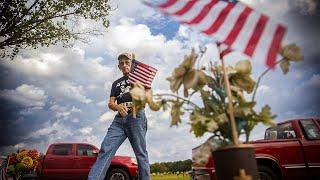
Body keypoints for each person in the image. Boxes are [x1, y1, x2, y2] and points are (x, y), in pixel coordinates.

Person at [88, 53, 150, 180]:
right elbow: (111, 103)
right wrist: (117, 107)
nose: (124, 65)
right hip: (119, 120)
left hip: (136, 115)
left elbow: (148, 97)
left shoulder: (140, 78)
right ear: (118, 66)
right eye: (122, 63)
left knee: (140, 153)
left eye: (127, 62)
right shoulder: (116, 84)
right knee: (106, 148)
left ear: (132, 64)